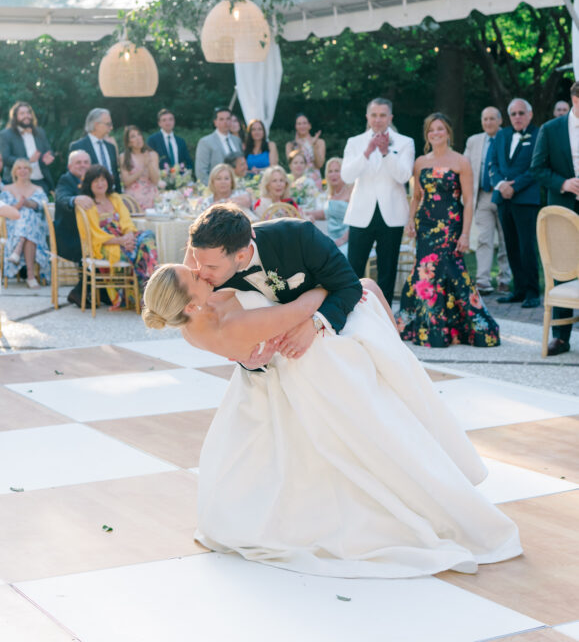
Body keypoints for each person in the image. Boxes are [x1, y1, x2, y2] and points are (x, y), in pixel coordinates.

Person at [145, 216, 521, 577]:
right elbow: (296, 312)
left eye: (197, 264)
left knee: (367, 335)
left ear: (240, 255)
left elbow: (333, 290)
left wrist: (334, 303)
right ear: (191, 304)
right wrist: (325, 293)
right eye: (195, 273)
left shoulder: (205, 298)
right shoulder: (222, 307)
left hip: (291, 343)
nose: (196, 266)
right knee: (338, 413)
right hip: (294, 354)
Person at [184, 203, 363, 362]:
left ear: (240, 255)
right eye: (198, 261)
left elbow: (350, 286)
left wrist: (314, 324)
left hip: (331, 321)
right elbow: (230, 338)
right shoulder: (210, 277)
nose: (201, 272)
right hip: (276, 355)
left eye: (211, 267)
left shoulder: (298, 236)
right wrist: (252, 361)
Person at [397, 113, 500, 348]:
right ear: (427, 134)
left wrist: (465, 233)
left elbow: (468, 200)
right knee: (424, 274)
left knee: (452, 272)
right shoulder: (420, 162)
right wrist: (410, 220)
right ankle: (429, 327)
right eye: (431, 130)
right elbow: (416, 197)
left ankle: (470, 326)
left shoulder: (461, 161)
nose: (436, 133)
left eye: (440, 129)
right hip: (426, 226)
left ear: (448, 133)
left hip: (451, 226)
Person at [341, 97, 415, 303]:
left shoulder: (405, 142)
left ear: (390, 117)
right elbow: (346, 176)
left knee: (387, 271)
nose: (378, 119)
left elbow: (403, 176)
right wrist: (367, 153)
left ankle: (385, 315)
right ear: (367, 116)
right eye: (374, 115)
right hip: (360, 213)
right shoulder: (354, 142)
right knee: (353, 268)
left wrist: (385, 153)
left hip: (392, 214)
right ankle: (350, 310)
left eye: (383, 115)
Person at [530, 80, 579, 355]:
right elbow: (537, 168)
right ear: (574, 99)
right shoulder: (550, 129)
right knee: (563, 269)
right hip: (563, 209)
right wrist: (564, 183)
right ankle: (561, 336)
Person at [79, 164, 157, 303]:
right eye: (95, 181)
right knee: (139, 251)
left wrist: (128, 236)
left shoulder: (114, 198)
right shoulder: (86, 204)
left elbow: (126, 221)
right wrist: (120, 241)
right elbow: (93, 235)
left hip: (124, 239)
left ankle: (149, 290)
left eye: (103, 180)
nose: (100, 184)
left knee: (148, 236)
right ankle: (149, 293)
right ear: (89, 184)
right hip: (105, 246)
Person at [490, 98, 541, 309]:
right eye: (513, 114)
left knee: (526, 246)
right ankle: (518, 289)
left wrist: (515, 186)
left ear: (529, 115)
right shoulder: (501, 135)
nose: (517, 117)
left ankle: (532, 291)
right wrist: (501, 185)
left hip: (526, 198)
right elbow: (492, 164)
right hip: (503, 199)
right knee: (510, 245)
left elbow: (537, 166)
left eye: (521, 113)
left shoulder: (539, 135)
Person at [464, 107, 511, 295]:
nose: (488, 122)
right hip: (482, 195)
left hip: (503, 195)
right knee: (484, 238)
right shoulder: (474, 141)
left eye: (492, 119)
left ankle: (504, 279)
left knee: (506, 239)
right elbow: (466, 167)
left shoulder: (508, 137)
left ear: (500, 120)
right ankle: (483, 280)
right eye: (485, 119)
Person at [0, 158, 50, 289]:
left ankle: (18, 248)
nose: (22, 171)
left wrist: (26, 204)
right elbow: (6, 209)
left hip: (35, 228)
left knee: (29, 213)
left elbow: (39, 206)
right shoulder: (7, 188)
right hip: (13, 227)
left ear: (30, 171)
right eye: (19, 168)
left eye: (25, 168)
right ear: (14, 172)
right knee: (27, 216)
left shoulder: (38, 189)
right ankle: (30, 277)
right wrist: (19, 205)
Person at [54, 150, 93, 306]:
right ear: (70, 166)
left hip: (89, 234)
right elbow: (62, 199)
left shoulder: (94, 179)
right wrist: (75, 199)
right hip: (69, 236)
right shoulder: (66, 180)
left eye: (86, 162)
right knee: (95, 248)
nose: (83, 165)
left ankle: (100, 291)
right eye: (78, 162)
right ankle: (79, 292)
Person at [0, 102, 55, 192]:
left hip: (40, 180)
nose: (27, 116)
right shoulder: (5, 135)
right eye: (22, 113)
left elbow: (49, 150)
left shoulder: (40, 132)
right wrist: (27, 160)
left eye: (28, 113)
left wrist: (48, 157)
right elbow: (5, 158)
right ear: (15, 117)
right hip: (16, 182)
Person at [307, 156, 352, 253]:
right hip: (331, 238)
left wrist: (342, 240)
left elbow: (356, 220)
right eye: (330, 171)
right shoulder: (330, 193)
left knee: (337, 255)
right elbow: (326, 213)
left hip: (348, 239)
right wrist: (307, 213)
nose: (333, 174)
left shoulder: (351, 191)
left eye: (337, 170)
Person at [70, 109, 121, 193]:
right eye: (108, 124)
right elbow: (73, 177)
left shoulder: (111, 147)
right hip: (90, 197)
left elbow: (115, 173)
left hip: (113, 196)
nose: (111, 127)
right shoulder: (78, 146)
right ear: (96, 125)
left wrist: (119, 195)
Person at [195, 107, 243, 184]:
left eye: (228, 119)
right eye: (221, 119)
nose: (225, 122)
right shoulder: (205, 142)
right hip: (216, 189)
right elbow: (201, 172)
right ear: (215, 122)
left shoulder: (237, 140)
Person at [119, 125, 160, 210]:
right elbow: (126, 181)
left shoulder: (152, 155)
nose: (138, 138)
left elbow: (155, 180)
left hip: (151, 198)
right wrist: (142, 168)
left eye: (139, 135)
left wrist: (148, 163)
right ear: (129, 143)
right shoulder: (124, 157)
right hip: (133, 201)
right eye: (133, 136)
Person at [147, 108, 193, 174]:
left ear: (174, 121)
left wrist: (186, 174)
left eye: (170, 119)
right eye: (164, 120)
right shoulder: (153, 140)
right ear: (159, 123)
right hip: (161, 180)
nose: (168, 122)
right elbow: (149, 162)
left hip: (180, 179)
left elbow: (188, 161)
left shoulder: (180, 141)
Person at [285, 113, 325, 186]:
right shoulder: (290, 145)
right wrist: (299, 145)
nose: (302, 126)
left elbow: (319, 164)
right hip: (298, 179)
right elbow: (292, 166)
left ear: (309, 125)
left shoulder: (319, 142)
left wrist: (313, 145)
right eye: (299, 124)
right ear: (295, 126)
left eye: (304, 123)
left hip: (315, 178)